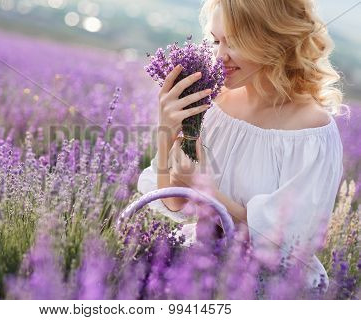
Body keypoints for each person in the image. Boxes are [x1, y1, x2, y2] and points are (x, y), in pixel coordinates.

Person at [137, 0, 346, 291]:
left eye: (233, 43)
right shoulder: (212, 101)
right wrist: (166, 131)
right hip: (199, 269)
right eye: (215, 41)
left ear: (272, 40)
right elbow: (174, 201)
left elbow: (280, 248)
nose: (219, 56)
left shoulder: (311, 132)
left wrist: (205, 189)